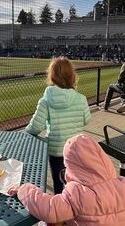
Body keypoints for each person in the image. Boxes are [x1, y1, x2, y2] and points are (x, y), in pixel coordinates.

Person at [25, 57, 90, 194]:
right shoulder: (81, 98)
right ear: (72, 75)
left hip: (56, 151)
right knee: (75, 184)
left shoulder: (46, 100)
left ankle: (61, 211)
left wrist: (27, 132)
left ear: (52, 75)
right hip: (76, 150)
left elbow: (35, 128)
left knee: (59, 185)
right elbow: (86, 120)